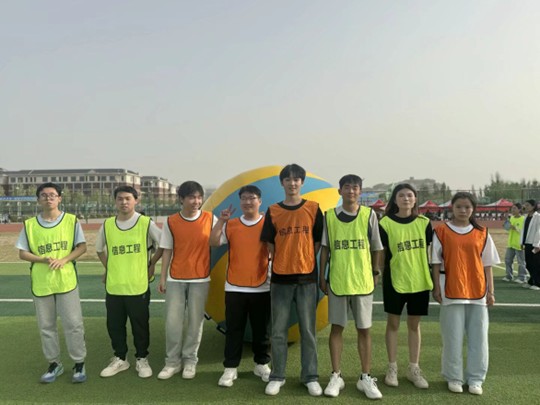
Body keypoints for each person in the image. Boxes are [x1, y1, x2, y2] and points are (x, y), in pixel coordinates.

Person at [260, 164, 324, 397]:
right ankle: (277, 376)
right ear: (282, 183)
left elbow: (317, 242)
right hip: (280, 279)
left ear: (302, 182)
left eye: (296, 179)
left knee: (308, 330)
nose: (292, 183)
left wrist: (303, 258)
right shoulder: (273, 210)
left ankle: (310, 377)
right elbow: (269, 243)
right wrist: (285, 259)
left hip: (307, 278)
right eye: (288, 179)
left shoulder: (314, 208)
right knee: (278, 331)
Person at [319, 174, 383, 399]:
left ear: (360, 192)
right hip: (338, 280)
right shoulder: (329, 216)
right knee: (337, 328)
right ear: (340, 191)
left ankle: (365, 377)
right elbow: (325, 249)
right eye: (347, 187)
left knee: (364, 329)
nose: (351, 191)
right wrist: (322, 276)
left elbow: (376, 247)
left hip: (362, 281)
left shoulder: (369, 214)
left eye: (355, 187)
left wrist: (376, 271)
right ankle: (336, 375)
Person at [16, 182, 88, 383]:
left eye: (52, 195)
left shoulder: (71, 221)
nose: (48, 198)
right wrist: (42, 259)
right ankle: (54, 364)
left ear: (59, 198)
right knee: (46, 326)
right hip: (42, 283)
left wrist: (64, 259)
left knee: (73, 324)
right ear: (38, 199)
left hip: (66, 281)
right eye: (44, 195)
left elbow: (82, 247)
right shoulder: (30, 225)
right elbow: (22, 253)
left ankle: (79, 363)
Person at [431, 192, 500, 395]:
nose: (463, 210)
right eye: (459, 207)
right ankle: (453, 377)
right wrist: (436, 287)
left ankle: (476, 379)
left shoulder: (482, 233)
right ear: (452, 208)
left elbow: (487, 265)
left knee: (479, 338)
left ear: (473, 209)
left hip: (477, 291)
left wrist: (491, 291)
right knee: (452, 337)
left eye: (467, 207)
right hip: (450, 291)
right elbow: (435, 262)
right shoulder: (441, 231)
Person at [209, 185, 272, 387]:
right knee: (234, 329)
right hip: (235, 286)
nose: (247, 202)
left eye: (252, 198)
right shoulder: (232, 224)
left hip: (262, 285)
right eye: (244, 198)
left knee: (261, 330)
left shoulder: (268, 223)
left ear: (259, 201)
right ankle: (230, 368)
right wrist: (221, 221)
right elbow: (213, 242)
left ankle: (261, 364)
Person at [96, 186, 162, 379]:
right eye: (120, 199)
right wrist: (109, 268)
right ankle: (120, 358)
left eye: (127, 198)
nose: (124, 202)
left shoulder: (145, 223)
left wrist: (152, 263)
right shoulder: (107, 225)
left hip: (138, 285)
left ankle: (142, 358)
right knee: (115, 325)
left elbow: (164, 244)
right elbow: (99, 250)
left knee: (140, 326)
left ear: (136, 200)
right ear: (115, 201)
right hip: (114, 286)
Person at [157, 181, 217, 380]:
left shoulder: (210, 218)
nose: (196, 201)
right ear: (181, 199)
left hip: (201, 278)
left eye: (199, 197)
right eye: (191, 197)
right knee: (173, 322)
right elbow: (167, 250)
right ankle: (172, 362)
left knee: (195, 322)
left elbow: (220, 239)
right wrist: (163, 277)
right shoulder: (171, 221)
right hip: (176, 278)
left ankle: (190, 360)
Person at [378, 184, 433, 389]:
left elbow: (429, 252)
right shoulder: (385, 223)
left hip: (419, 280)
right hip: (395, 280)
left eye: (410, 195)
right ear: (394, 200)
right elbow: (382, 253)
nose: (406, 198)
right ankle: (392, 367)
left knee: (414, 325)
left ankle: (413, 368)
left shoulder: (424, 223)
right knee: (393, 324)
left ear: (416, 199)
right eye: (401, 195)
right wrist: (378, 273)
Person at [502, 203, 528, 283]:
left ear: (519, 209)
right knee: (508, 260)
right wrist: (506, 224)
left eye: (514, 208)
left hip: (520, 244)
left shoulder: (523, 219)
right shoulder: (511, 218)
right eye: (512, 208)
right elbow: (507, 228)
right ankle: (509, 276)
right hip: (511, 243)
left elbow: (523, 231)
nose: (512, 210)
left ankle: (522, 277)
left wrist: (514, 227)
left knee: (521, 262)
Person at [521, 200, 540, 290]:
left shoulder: (538, 217)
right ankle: (532, 281)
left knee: (535, 264)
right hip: (527, 243)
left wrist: (537, 244)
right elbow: (523, 231)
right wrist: (521, 242)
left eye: (528, 205)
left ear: (533, 207)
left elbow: (539, 231)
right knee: (528, 264)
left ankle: (538, 283)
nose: (526, 207)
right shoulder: (526, 217)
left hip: (535, 244)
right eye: (525, 205)